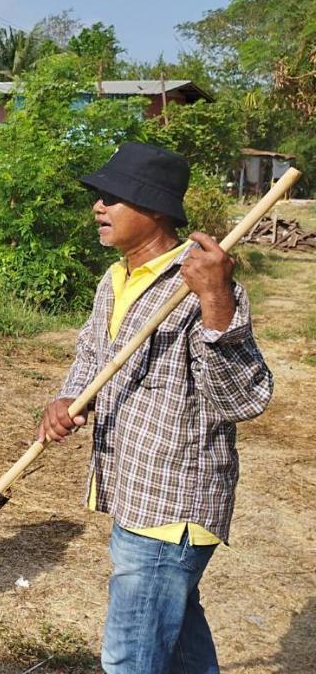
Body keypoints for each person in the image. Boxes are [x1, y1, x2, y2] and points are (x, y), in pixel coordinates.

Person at [39, 142, 272, 674]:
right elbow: (92, 355)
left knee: (130, 659)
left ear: (155, 209)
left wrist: (216, 302)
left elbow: (244, 398)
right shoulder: (116, 278)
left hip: (172, 505)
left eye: (114, 197)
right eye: (100, 195)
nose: (99, 206)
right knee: (181, 641)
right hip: (132, 488)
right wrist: (67, 398)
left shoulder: (204, 287)